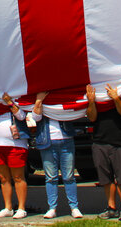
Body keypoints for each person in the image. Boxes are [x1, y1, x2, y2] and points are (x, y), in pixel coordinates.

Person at [32, 91, 82, 219]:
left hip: (66, 140)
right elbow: (36, 117)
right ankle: (52, 208)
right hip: (48, 142)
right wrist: (39, 100)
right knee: (51, 177)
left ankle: (74, 207)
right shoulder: (41, 97)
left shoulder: (62, 96)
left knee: (69, 176)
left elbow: (71, 113)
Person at [85, 83, 121, 220]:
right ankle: (111, 207)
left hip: (119, 140)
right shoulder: (95, 94)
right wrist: (92, 101)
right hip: (100, 141)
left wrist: (115, 98)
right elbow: (92, 117)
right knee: (106, 178)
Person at [0, 92, 32, 219]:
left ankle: (21, 208)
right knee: (3, 178)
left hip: (16, 144)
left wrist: (10, 102)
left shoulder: (18, 97)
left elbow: (21, 116)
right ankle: (7, 207)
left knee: (18, 177)